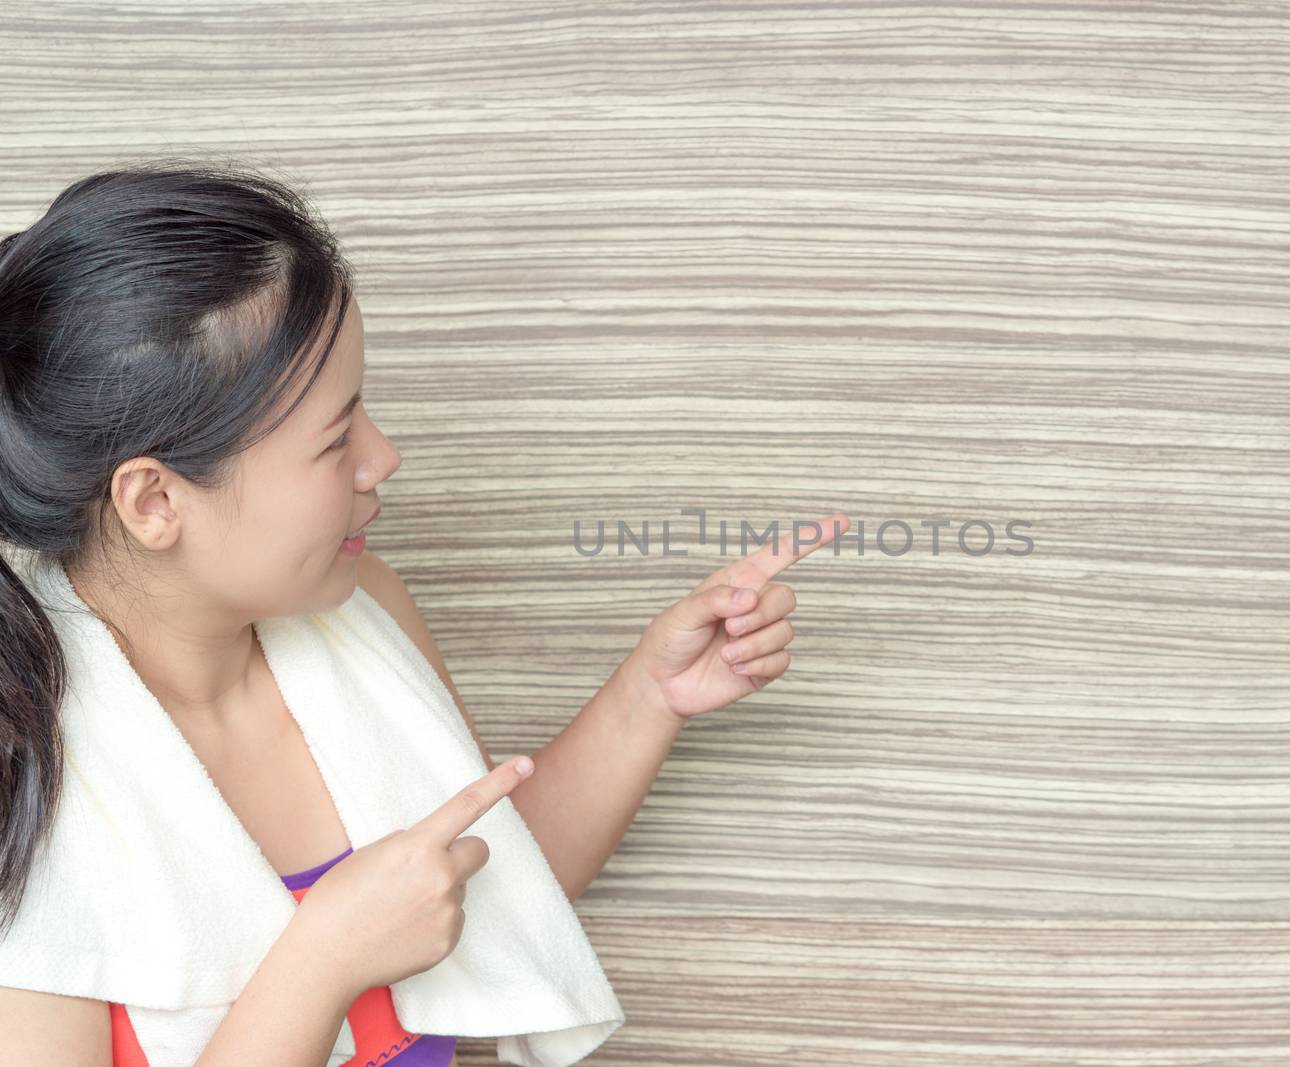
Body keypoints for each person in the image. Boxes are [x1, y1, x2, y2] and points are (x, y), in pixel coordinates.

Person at [0, 158, 846, 1066]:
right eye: (336, 437)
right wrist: (319, 964)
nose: (384, 456)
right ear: (154, 502)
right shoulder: (25, 764)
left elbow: (497, 887)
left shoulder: (366, 615)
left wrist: (651, 695)